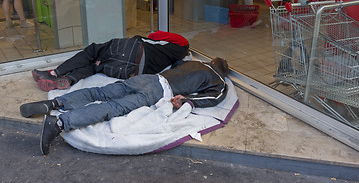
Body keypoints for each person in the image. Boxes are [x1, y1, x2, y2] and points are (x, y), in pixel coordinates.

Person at [20, 57, 229, 155]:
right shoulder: (219, 79)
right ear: (223, 71)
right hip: (159, 92)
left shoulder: (194, 62)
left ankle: (53, 103)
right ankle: (58, 123)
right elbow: (215, 97)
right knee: (112, 108)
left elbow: (175, 67)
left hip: (149, 79)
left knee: (99, 92)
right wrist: (187, 101)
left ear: (211, 60)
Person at [32, 31, 190, 92]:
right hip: (131, 72)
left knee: (92, 51)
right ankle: (68, 79)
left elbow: (153, 35)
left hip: (132, 50)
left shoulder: (182, 43)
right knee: (95, 67)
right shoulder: (174, 58)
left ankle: (53, 73)